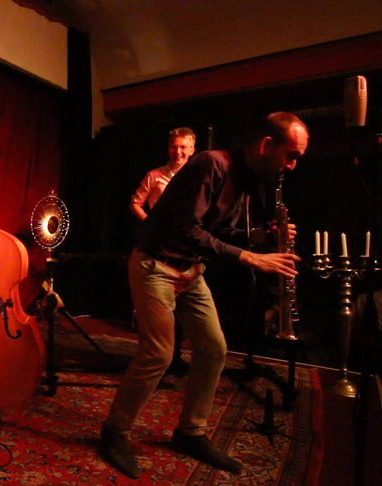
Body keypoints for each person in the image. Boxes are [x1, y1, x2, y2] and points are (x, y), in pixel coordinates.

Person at [100, 112, 308, 479]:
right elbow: (187, 229)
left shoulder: (248, 179)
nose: (291, 166)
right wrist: (249, 257)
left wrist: (263, 238)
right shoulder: (213, 164)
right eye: (289, 155)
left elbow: (222, 233)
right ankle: (114, 432)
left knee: (214, 348)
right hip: (156, 265)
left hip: (191, 271)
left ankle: (190, 432)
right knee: (158, 353)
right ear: (266, 145)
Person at [130, 127, 196, 376]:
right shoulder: (155, 175)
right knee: (161, 307)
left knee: (181, 308)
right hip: (159, 248)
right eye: (174, 147)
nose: (178, 152)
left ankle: (175, 357)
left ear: (192, 149)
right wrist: (150, 223)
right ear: (168, 149)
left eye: (183, 147)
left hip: (186, 247)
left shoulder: (197, 177)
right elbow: (135, 202)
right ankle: (159, 360)